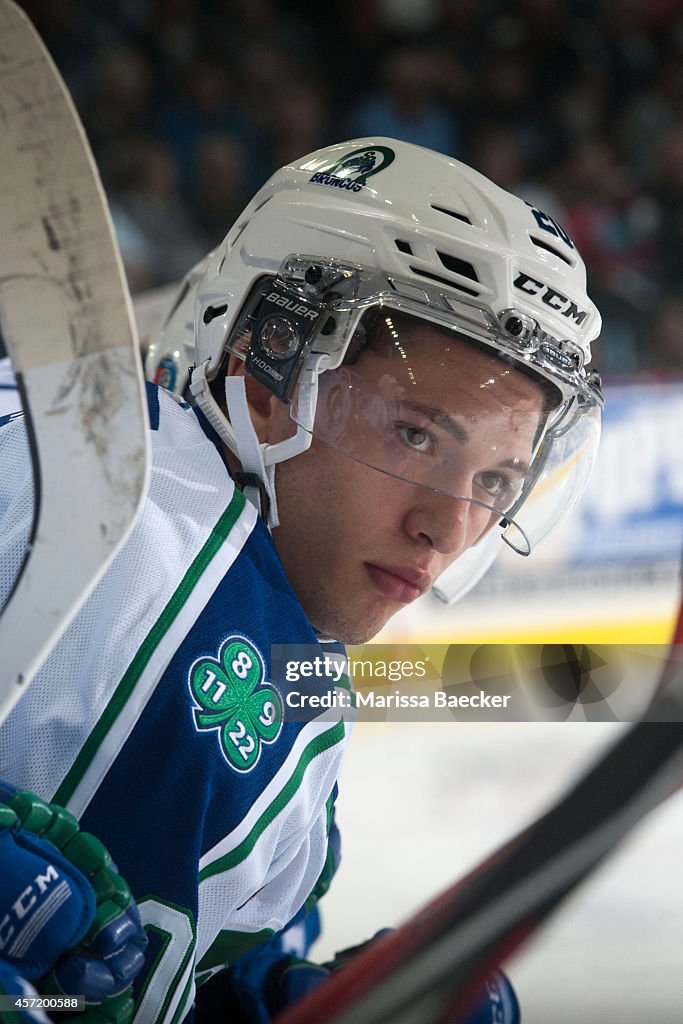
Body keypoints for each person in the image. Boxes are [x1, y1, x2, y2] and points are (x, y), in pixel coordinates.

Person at [0, 138, 603, 1023]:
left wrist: (278, 1000)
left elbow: (147, 985)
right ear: (262, 371)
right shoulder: (98, 503)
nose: (447, 524)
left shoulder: (300, 659)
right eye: (415, 435)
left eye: (495, 483)